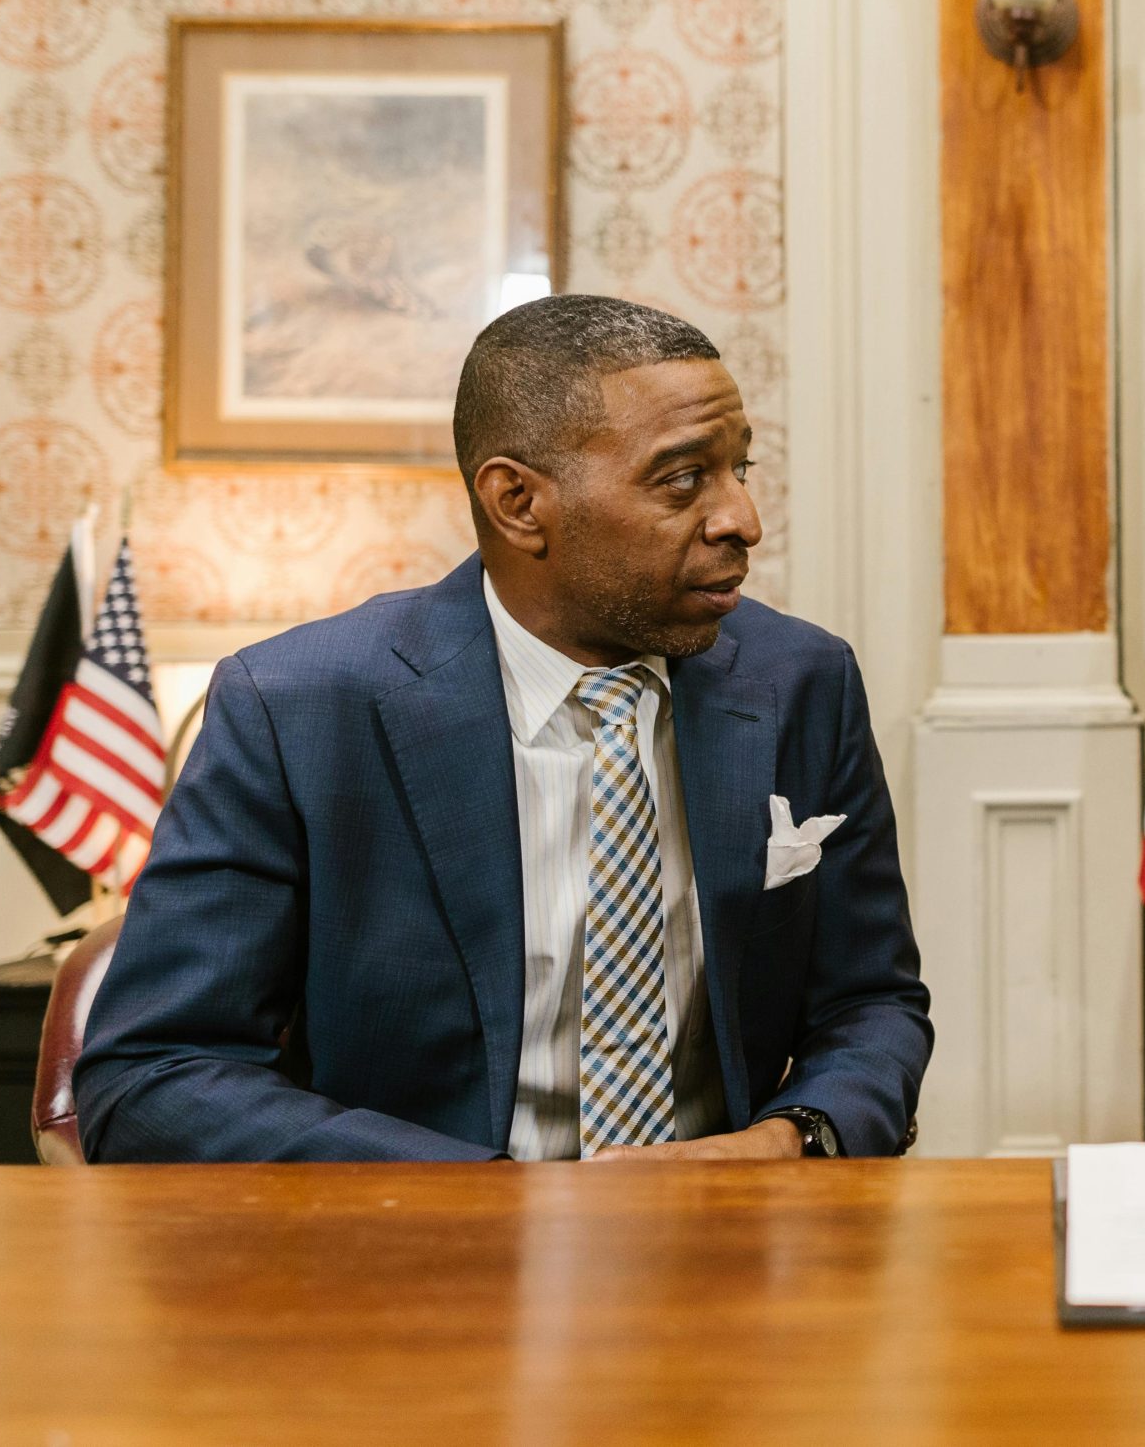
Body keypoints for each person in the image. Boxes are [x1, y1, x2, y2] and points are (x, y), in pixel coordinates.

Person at [76, 296, 933, 1162]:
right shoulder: (296, 708)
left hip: (729, 1245)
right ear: (518, 501)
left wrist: (793, 1138)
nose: (741, 519)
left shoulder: (803, 682)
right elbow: (155, 1073)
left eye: (738, 469)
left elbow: (871, 1003)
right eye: (682, 479)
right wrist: (500, 1201)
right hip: (418, 1254)